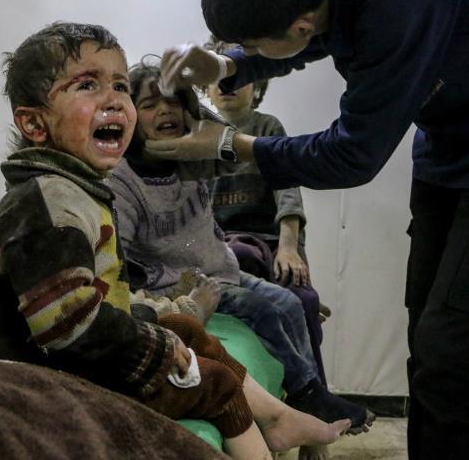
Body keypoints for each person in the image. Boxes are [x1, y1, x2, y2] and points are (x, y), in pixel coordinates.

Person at [144, 0, 469, 458]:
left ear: (301, 24)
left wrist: (230, 144)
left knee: (455, 354)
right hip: (446, 140)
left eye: (251, 45)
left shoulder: (403, 0)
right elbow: (321, 36)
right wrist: (228, 65)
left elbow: (352, 155)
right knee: (428, 345)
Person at [0, 22, 350, 460]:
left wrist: (159, 318)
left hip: (82, 332)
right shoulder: (50, 205)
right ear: (33, 122)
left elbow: (99, 290)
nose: (113, 99)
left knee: (186, 327)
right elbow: (72, 329)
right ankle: (265, 437)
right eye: (87, 85)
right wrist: (157, 345)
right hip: (50, 363)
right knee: (216, 385)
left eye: (119, 86)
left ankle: (277, 416)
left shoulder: (82, 187)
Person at [108, 58, 374, 445]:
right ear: (131, 116)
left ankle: (312, 390)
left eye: (174, 102)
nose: (165, 111)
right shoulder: (123, 179)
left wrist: (192, 107)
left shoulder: (192, 157)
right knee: (261, 309)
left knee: (289, 302)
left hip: (220, 266)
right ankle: (306, 394)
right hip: (179, 282)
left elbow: (224, 140)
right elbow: (123, 254)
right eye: (149, 105)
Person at [204, 38, 330, 387]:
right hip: (223, 247)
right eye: (219, 78)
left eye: (238, 77)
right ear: (205, 88)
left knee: (306, 299)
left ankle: (317, 394)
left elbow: (287, 191)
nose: (228, 86)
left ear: (257, 84)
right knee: (241, 260)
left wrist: (289, 247)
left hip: (272, 243)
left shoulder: (267, 128)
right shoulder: (199, 133)